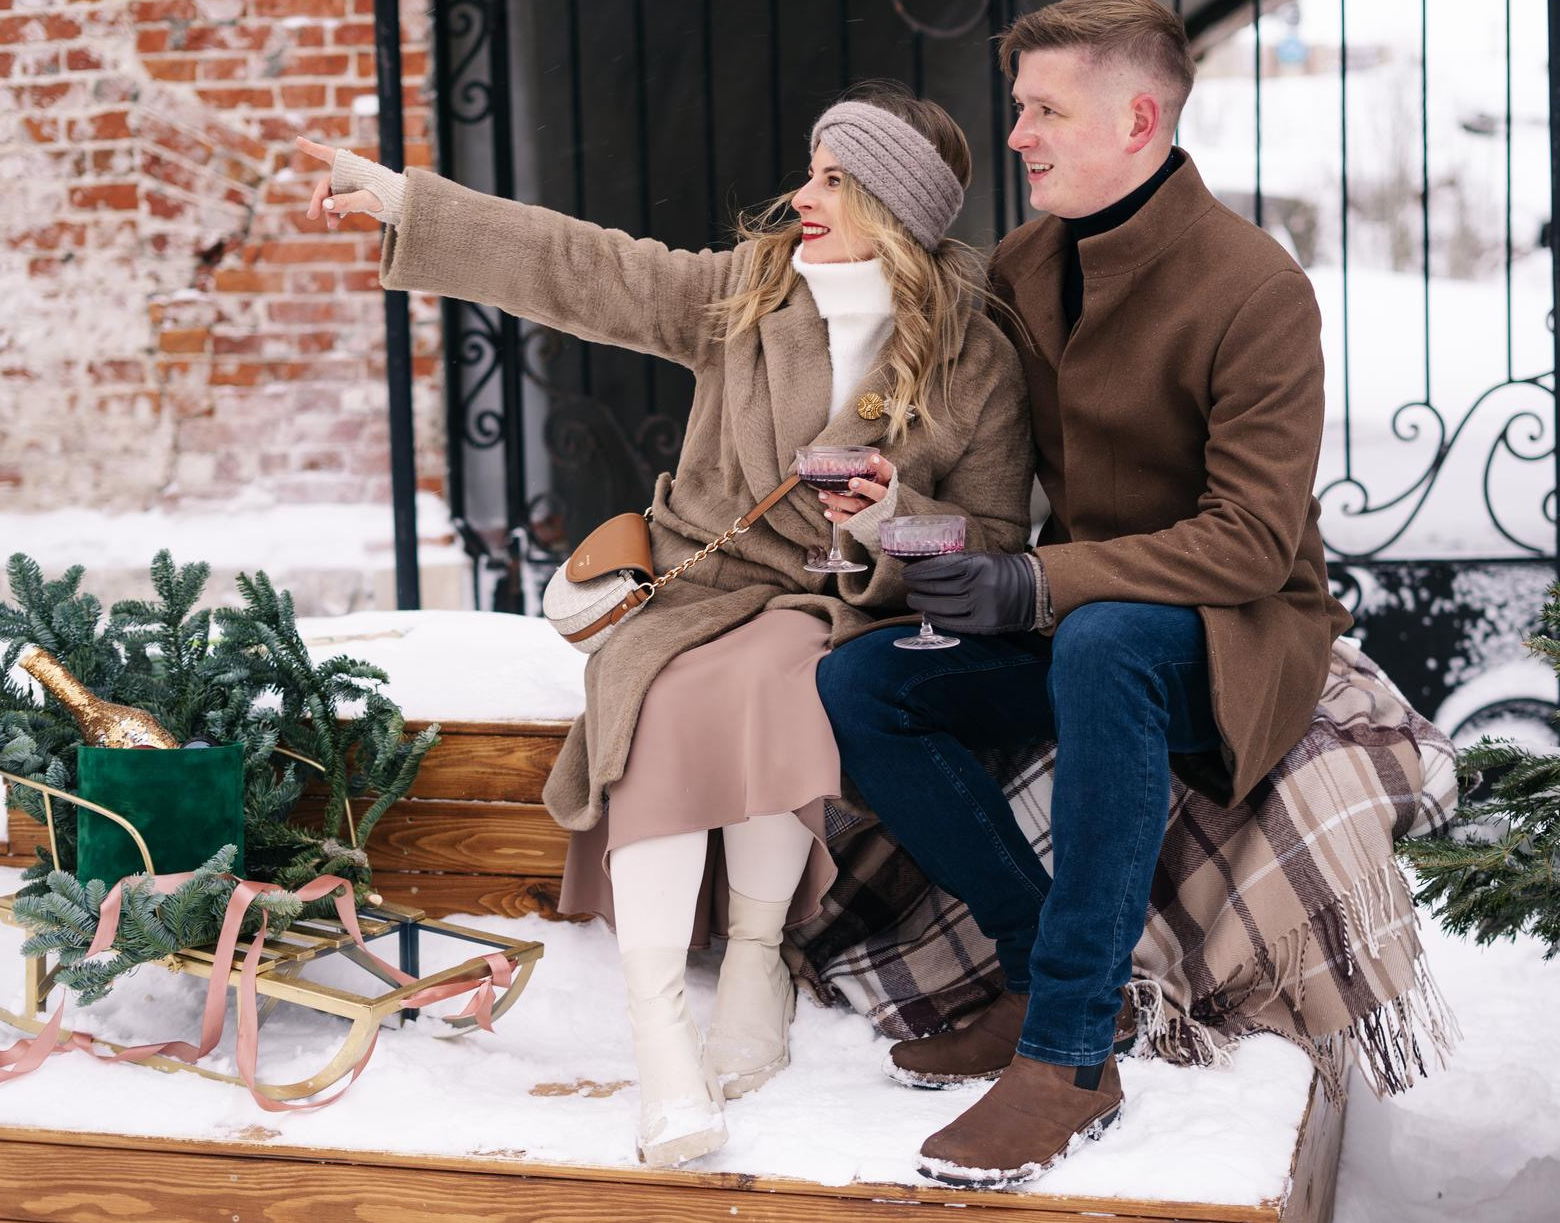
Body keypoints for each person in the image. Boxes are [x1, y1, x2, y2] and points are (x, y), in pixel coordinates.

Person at [296, 80, 1031, 1168]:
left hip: (831, 602)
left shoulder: (975, 356)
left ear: (894, 203)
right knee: (667, 691)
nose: (802, 196)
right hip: (702, 584)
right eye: (811, 171)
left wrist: (889, 516)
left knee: (781, 676)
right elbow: (583, 266)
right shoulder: (749, 289)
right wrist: (410, 202)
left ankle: (756, 959)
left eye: (833, 179)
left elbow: (994, 535)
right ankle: (662, 1040)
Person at [816, 0, 1354, 1187]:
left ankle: (1067, 1056)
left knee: (1106, 639)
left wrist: (1035, 582)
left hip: (1228, 632)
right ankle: (1029, 972)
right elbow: (973, 453)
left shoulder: (1255, 288)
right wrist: (911, 527)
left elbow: (1249, 542)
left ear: (1137, 119)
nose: (1015, 134)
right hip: (1074, 615)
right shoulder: (1019, 265)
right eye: (1019, 108)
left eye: (1043, 111)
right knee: (865, 681)